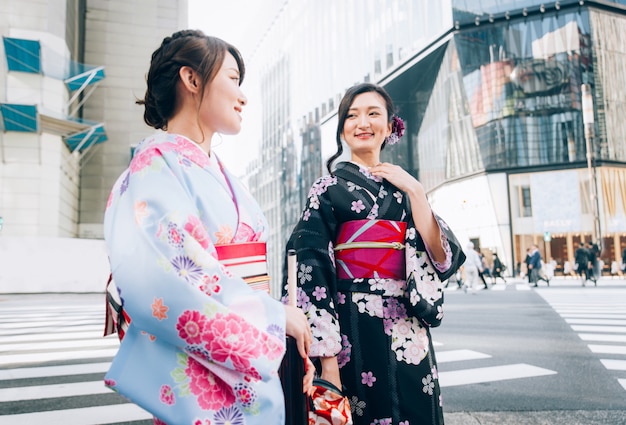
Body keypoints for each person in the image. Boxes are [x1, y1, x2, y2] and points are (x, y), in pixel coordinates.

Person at [102, 30, 314, 425]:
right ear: (192, 80)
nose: (243, 96)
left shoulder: (209, 168)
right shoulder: (154, 167)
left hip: (247, 353)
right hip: (208, 365)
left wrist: (273, 313)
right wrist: (270, 316)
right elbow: (172, 278)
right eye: (233, 79)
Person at [283, 83, 465, 425]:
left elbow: (441, 257)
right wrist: (327, 360)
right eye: (351, 116)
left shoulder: (404, 188)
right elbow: (312, 273)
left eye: (372, 114)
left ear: (390, 126)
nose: (361, 122)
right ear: (342, 128)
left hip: (407, 327)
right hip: (352, 327)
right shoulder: (327, 190)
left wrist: (416, 191)